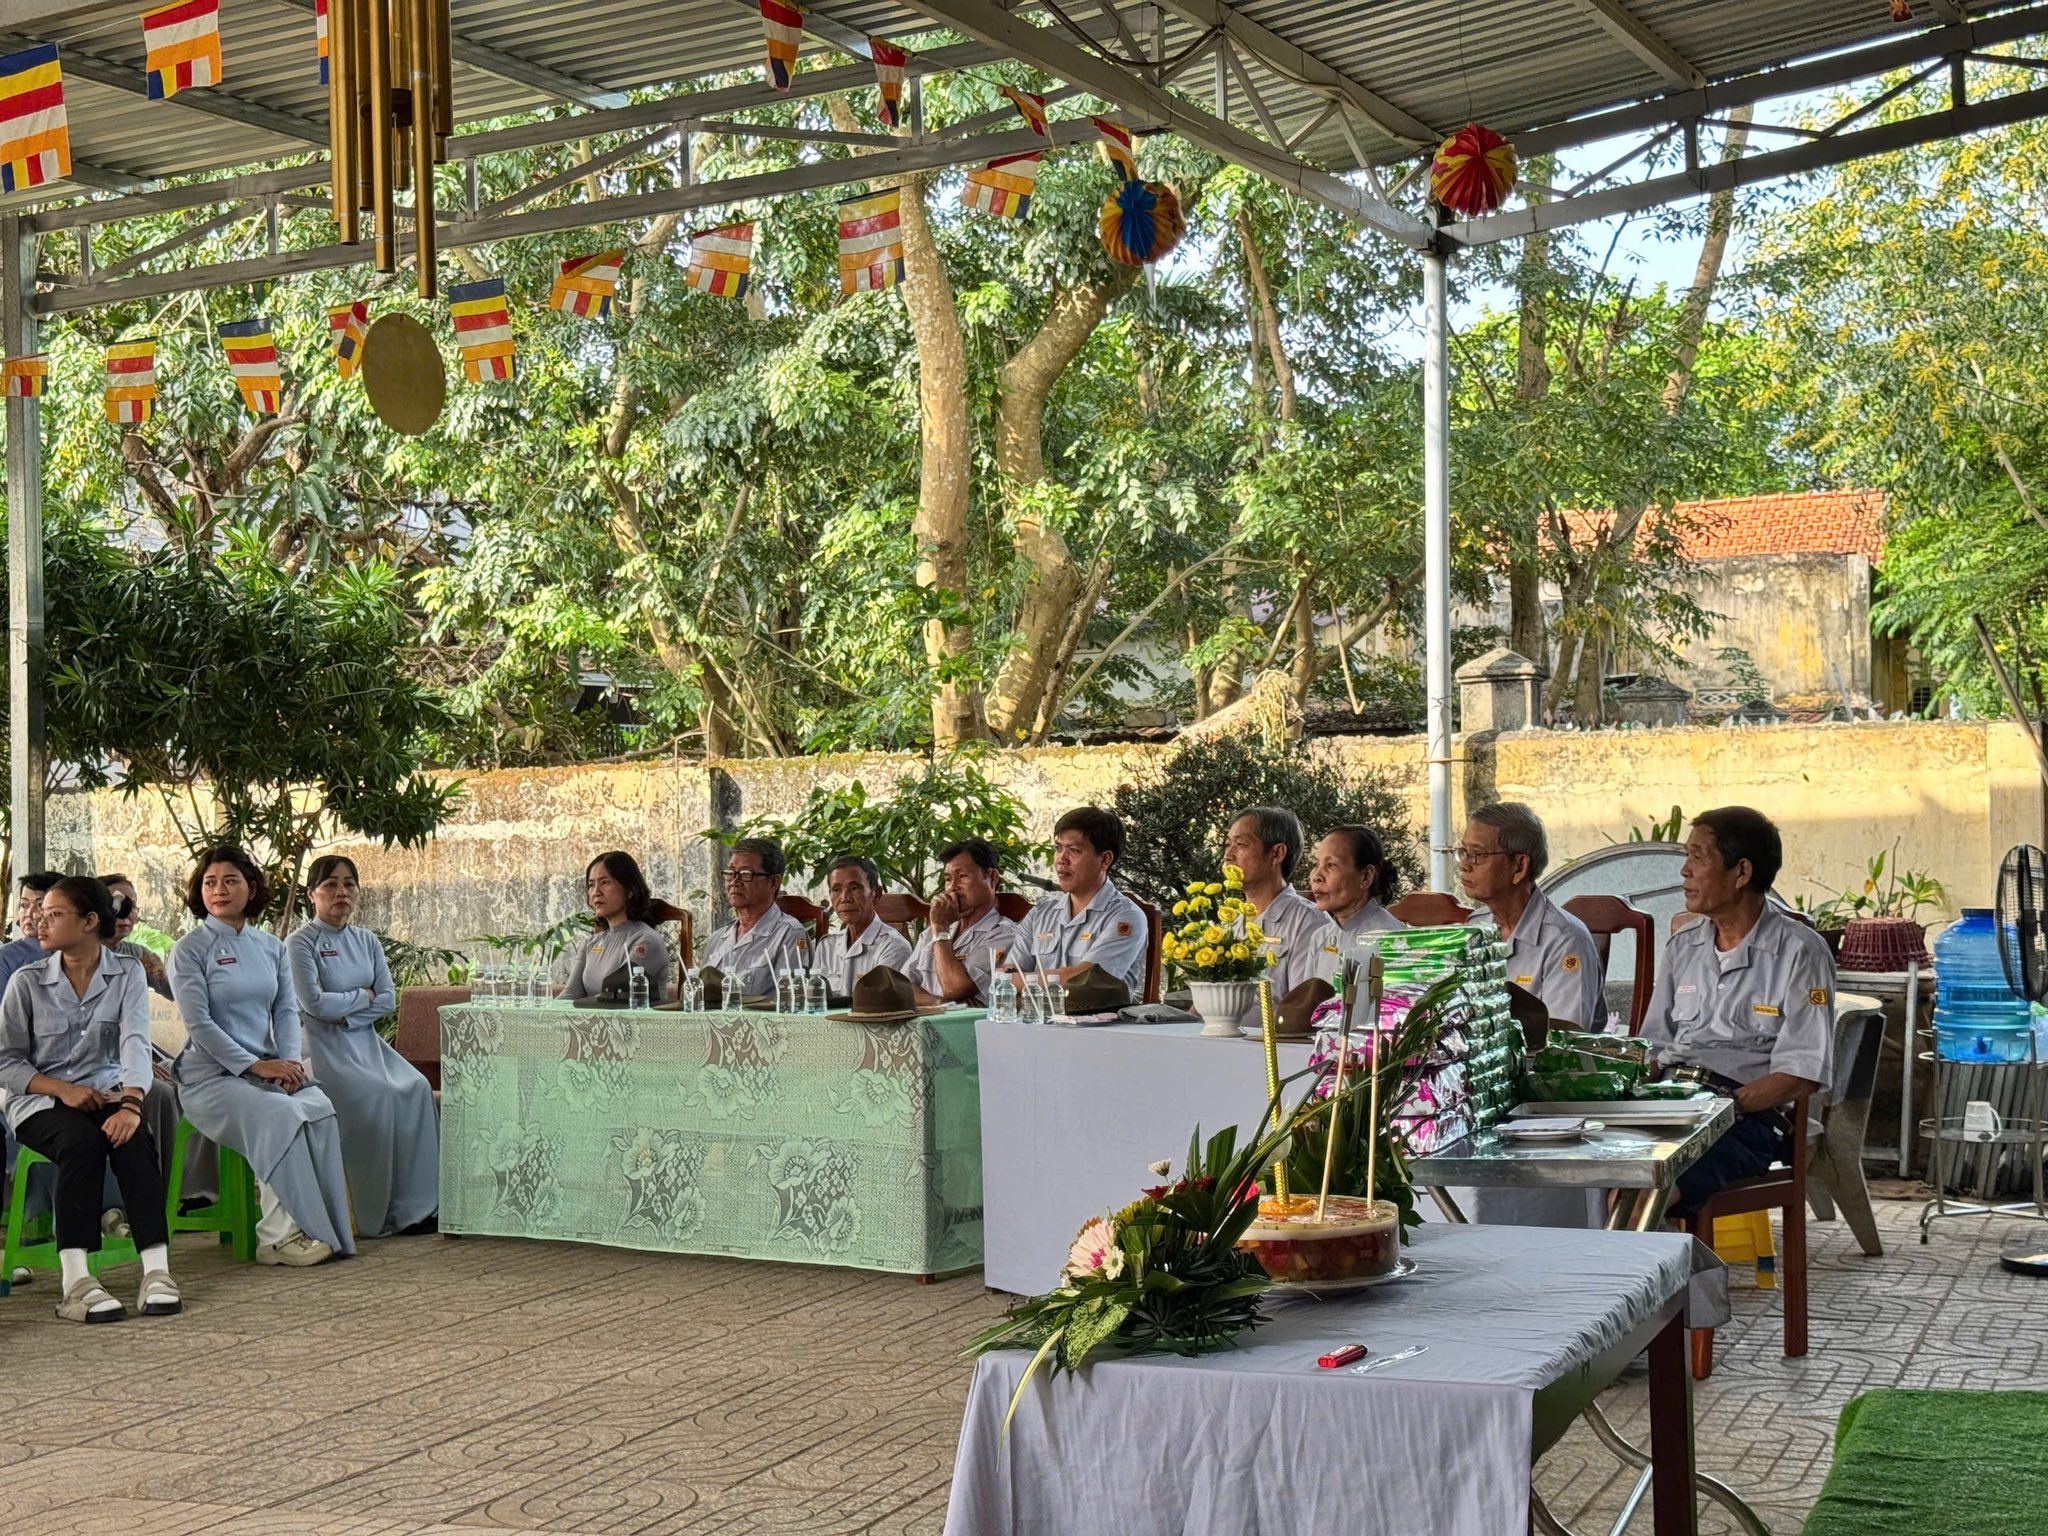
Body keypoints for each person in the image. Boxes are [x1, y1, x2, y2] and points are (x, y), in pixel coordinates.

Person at [0, 876, 179, 1322]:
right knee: (81, 1142)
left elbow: (135, 1041)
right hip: (39, 1101)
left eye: (54, 914)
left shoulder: (127, 973)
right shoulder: (27, 981)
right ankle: (76, 1282)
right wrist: (63, 1089)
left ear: (89, 921)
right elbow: (5, 1061)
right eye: (40, 913)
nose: (40, 922)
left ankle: (157, 1271)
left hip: (106, 1090)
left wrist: (132, 1104)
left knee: (133, 1139)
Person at [1640, 808, 1835, 1216]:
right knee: (1593, 1172)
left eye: (1697, 857)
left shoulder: (1800, 952)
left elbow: (1802, 1073)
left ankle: (1657, 1253)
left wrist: (1724, 1107)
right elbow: (1653, 1047)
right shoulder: (1683, 947)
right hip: (1669, 1102)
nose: (1684, 871)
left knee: (1645, 1193)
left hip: (1743, 1118)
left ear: (1741, 872)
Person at [170, 846, 354, 1266]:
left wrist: (288, 1065)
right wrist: (254, 1065)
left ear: (251, 888)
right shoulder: (190, 950)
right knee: (280, 1115)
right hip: (210, 1079)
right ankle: (277, 1238)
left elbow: (286, 1011)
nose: (219, 889)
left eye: (230, 880)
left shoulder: (271, 947)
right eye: (210, 882)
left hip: (267, 1072)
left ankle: (324, 1228)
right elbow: (199, 1024)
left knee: (319, 1107)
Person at [285, 855, 439, 1239]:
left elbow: (387, 1000)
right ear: (311, 894)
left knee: (416, 1089)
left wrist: (348, 1013)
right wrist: (361, 996)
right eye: (330, 885)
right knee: (378, 1094)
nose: (341, 892)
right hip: (323, 1049)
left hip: (367, 1043)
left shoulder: (367, 940)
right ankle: (374, 1213)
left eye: (349, 884)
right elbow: (313, 1004)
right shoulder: (299, 943)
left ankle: (418, 1207)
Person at [102, 871, 217, 1209]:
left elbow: (179, 992)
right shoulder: (81, 956)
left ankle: (195, 1191)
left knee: (199, 1080)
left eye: (132, 905)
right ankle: (158, 1198)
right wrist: (140, 1066)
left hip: (139, 1052)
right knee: (162, 1093)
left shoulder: (137, 955)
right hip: (105, 1063)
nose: (126, 914)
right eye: (116, 904)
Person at [1458, 802, 1608, 1032]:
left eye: (1477, 855)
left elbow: (1562, 1038)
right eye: (1463, 852)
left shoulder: (1565, 940)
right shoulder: (1476, 927)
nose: (1465, 865)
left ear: (1519, 866)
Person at [1019, 808, 1148, 996]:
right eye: (1058, 848)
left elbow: (1087, 981)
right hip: (1034, 1014)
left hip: (1099, 1015)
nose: (1061, 860)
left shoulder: (1126, 917)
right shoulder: (1039, 914)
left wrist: (1022, 982)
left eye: (1074, 850)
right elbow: (1006, 976)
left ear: (1105, 860)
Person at [1222, 806, 1339, 995]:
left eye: (1240, 844)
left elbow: (1303, 1006)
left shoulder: (1308, 922)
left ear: (1276, 853)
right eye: (1228, 844)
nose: (1228, 855)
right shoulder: (1232, 921)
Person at [908, 839, 1027, 1007]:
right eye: (948, 879)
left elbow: (955, 988)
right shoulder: (931, 932)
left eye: (962, 877)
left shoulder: (1003, 934)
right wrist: (941, 1003)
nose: (952, 887)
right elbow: (901, 987)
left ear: (992, 878)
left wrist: (941, 930)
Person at [699, 837, 808, 998]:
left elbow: (790, 1000)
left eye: (745, 874)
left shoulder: (789, 934)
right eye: (730, 873)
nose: (734, 882)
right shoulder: (718, 938)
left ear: (774, 882)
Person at [560, 852, 672, 1002]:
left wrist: (577, 1009)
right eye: (591, 885)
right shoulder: (591, 943)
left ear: (630, 890)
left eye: (605, 882)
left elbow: (615, 996)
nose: (596, 892)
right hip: (590, 1016)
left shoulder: (646, 941)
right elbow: (570, 994)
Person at [812, 856, 913, 997]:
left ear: (876, 894)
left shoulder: (893, 947)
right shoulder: (827, 946)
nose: (845, 898)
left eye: (854, 888)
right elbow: (815, 998)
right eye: (836, 890)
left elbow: (881, 1003)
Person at [1308, 825, 1408, 940]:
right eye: (1316, 864)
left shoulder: (1391, 940)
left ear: (1366, 877)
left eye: (1330, 865)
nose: (1316, 876)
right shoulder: (1320, 937)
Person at [0, 872, 61, 992]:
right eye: (24, 905)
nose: (29, 913)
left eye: (40, 905)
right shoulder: (6, 957)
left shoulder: (75, 953)